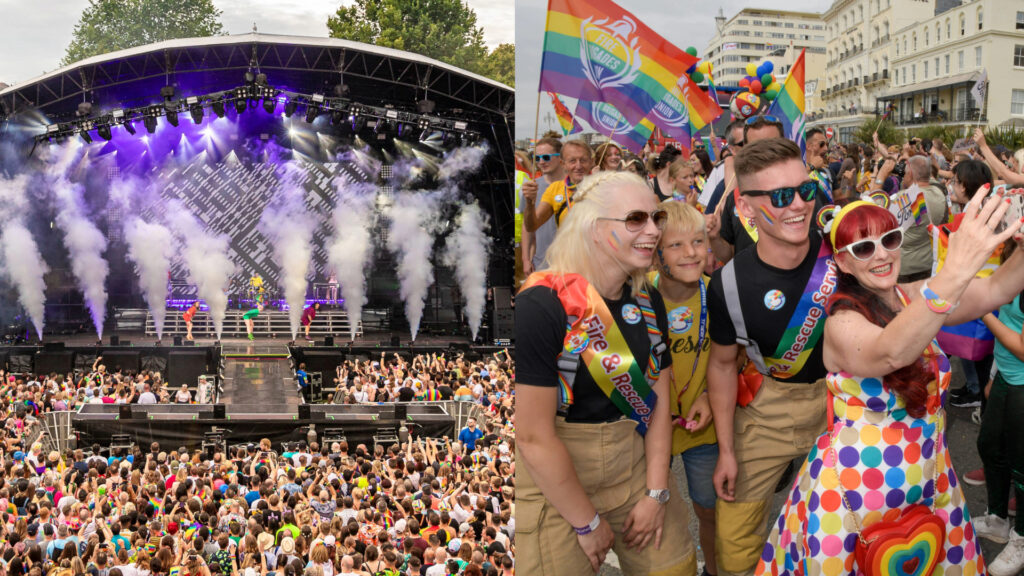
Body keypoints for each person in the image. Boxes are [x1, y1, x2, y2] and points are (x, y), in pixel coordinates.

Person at [756, 190, 1024, 575]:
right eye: (863, 248)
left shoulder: (909, 294)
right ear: (843, 262)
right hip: (856, 491)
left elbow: (996, 290)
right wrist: (956, 269)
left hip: (928, 476)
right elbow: (891, 352)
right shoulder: (839, 322)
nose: (881, 254)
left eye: (890, 239)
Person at [516, 170, 696, 575]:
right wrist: (586, 522)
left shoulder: (648, 297)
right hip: (555, 475)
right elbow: (533, 437)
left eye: (657, 218)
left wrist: (656, 493)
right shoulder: (541, 304)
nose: (653, 230)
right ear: (594, 229)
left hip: (631, 464)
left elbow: (659, 403)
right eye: (636, 219)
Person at [705, 138, 835, 576]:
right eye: (781, 196)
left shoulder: (846, 252)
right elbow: (723, 365)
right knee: (734, 540)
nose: (799, 205)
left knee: (849, 529)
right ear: (745, 208)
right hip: (767, 410)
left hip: (844, 404)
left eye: (806, 189)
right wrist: (726, 450)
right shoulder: (726, 283)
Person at [650, 201, 719, 576]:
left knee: (708, 509)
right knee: (649, 511)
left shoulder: (718, 294)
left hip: (701, 430)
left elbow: (733, 358)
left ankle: (713, 569)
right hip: (649, 431)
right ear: (655, 253)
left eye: (698, 240)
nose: (691, 252)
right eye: (676, 245)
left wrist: (708, 394)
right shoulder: (638, 296)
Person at [522, 140, 594, 233]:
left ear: (592, 162)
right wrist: (529, 203)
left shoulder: (604, 187)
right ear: (563, 164)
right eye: (572, 161)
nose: (578, 166)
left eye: (583, 160)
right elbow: (532, 226)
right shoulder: (555, 188)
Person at [519, 138, 566, 275]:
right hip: (541, 263)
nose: (541, 162)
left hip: (571, 262)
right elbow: (526, 227)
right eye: (537, 157)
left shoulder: (573, 186)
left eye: (546, 157)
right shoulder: (532, 187)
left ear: (560, 158)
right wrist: (526, 259)